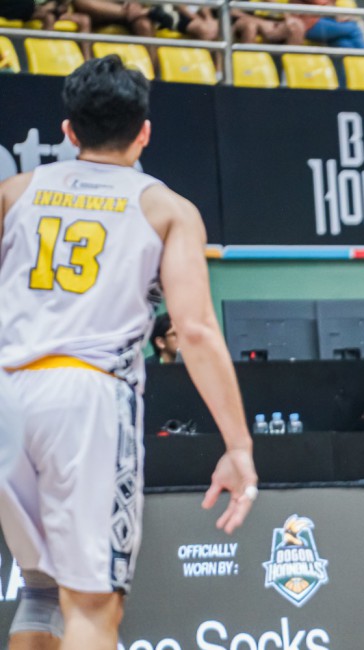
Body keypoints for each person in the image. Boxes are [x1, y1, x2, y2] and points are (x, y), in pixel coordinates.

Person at [0, 55, 258, 650]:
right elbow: (195, 330)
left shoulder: (15, 192)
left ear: (68, 132)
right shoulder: (166, 208)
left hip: (9, 394)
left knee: (40, 592)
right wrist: (239, 446)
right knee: (93, 608)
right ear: (144, 132)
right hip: (87, 397)